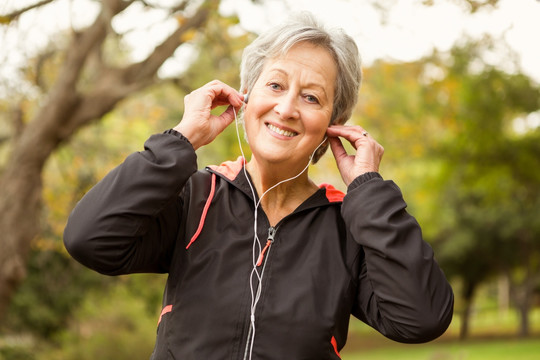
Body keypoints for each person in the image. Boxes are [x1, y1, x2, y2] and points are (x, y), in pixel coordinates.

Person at [64, 12, 453, 360]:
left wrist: (368, 189)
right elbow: (90, 239)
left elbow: (421, 318)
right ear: (245, 97)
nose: (286, 109)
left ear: (332, 124)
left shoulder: (348, 229)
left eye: (311, 97)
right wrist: (182, 140)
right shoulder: (195, 197)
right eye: (275, 86)